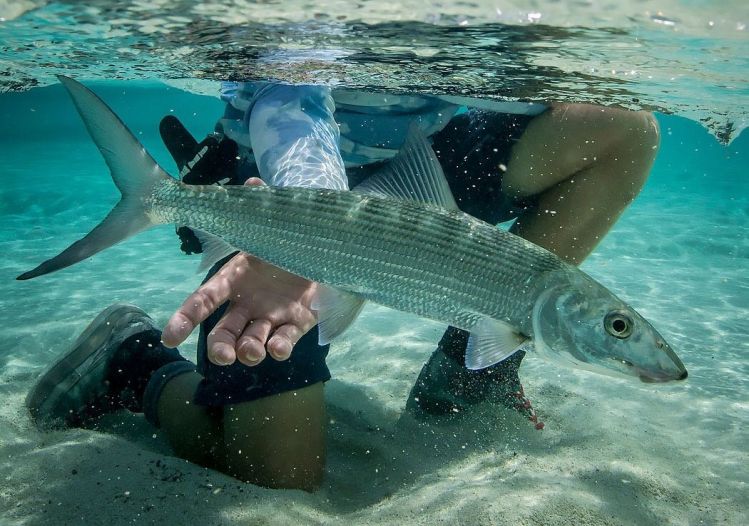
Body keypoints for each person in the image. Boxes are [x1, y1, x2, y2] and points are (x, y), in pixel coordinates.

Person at [26, 81, 660, 491]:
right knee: (275, 476)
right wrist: (316, 232)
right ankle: (131, 361)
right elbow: (287, 97)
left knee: (622, 128)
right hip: (280, 168)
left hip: (424, 155)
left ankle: (469, 371)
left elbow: (521, 79)